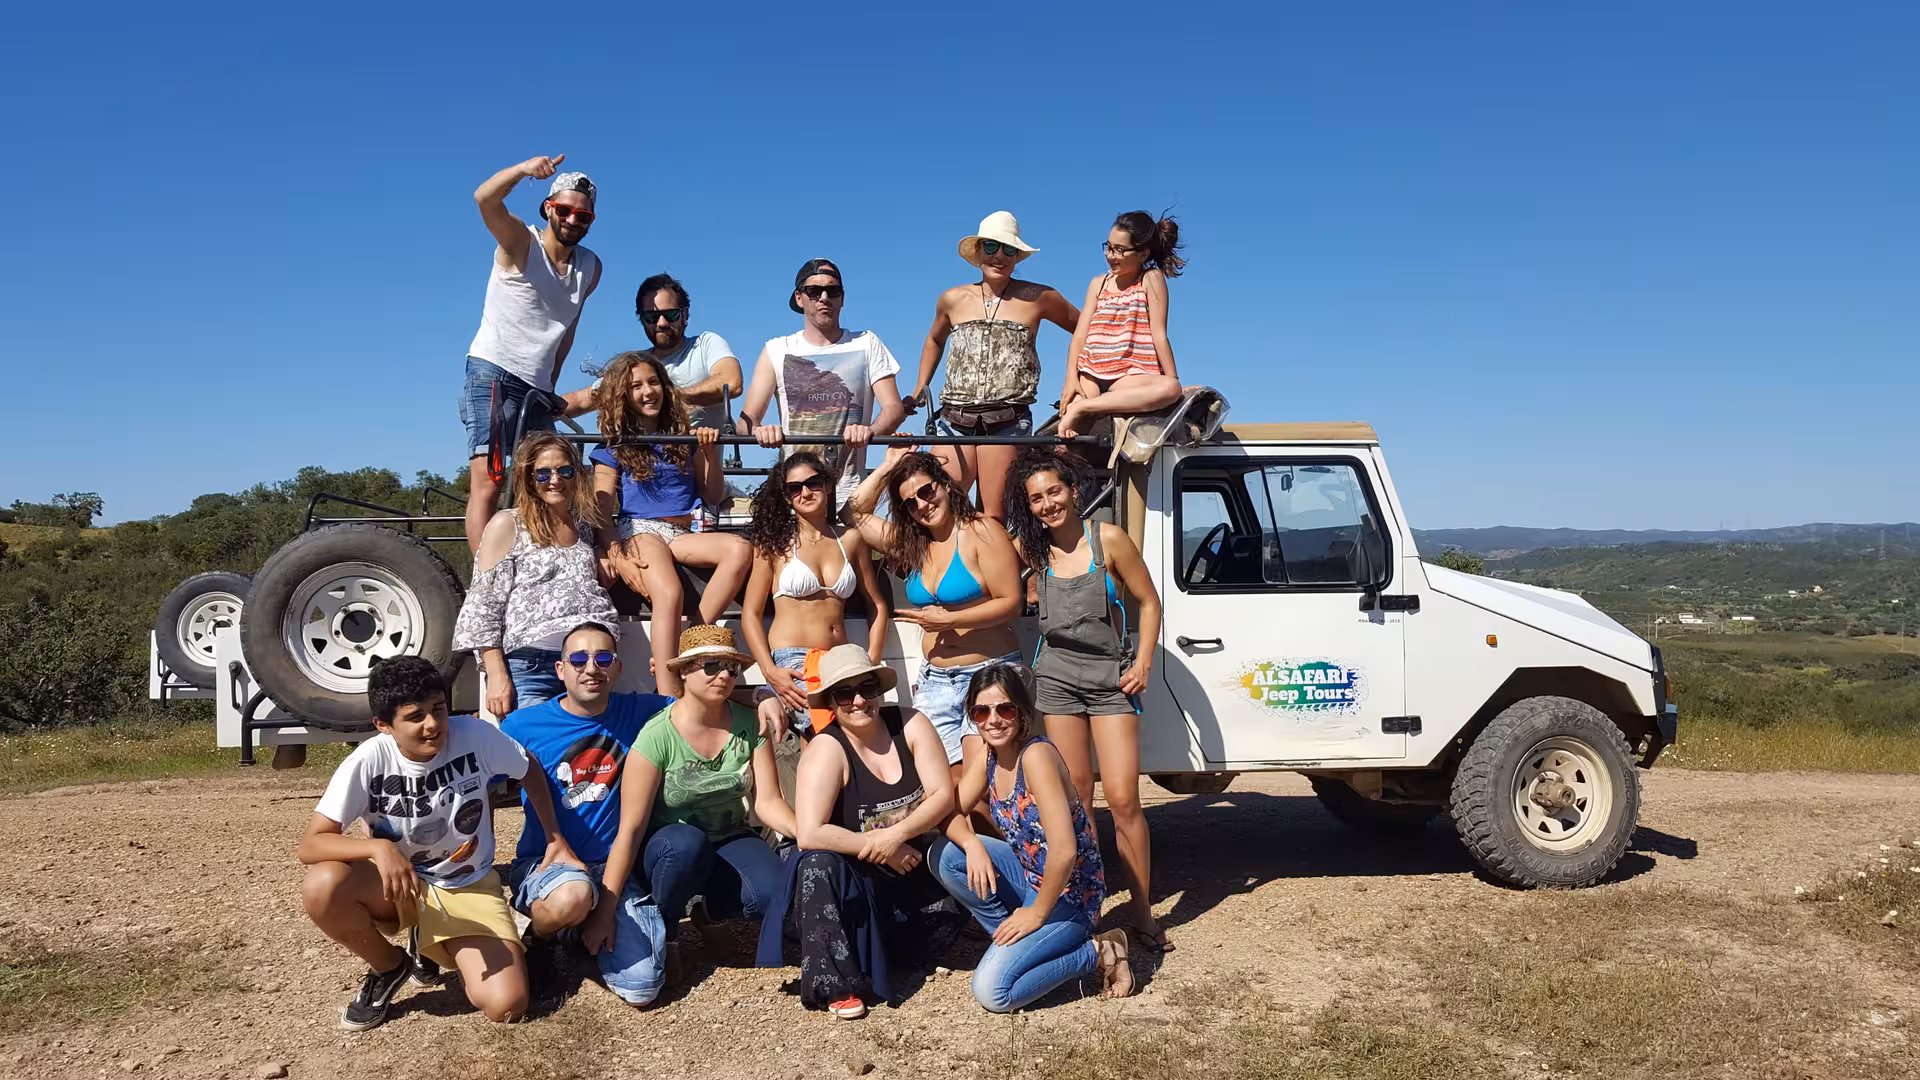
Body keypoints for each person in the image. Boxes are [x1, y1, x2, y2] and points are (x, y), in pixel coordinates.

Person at [298, 656, 579, 1030]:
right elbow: (311, 845)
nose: (432, 725)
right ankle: (389, 967)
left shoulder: (474, 735)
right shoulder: (367, 761)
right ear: (383, 725)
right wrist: (378, 849)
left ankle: (434, 941)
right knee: (322, 885)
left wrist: (554, 837)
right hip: (402, 885)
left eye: (439, 710)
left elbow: (528, 767)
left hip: (467, 883)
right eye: (415, 717)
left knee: (508, 1005)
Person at [1003, 449, 1169, 952]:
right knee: (1078, 800)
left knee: (1123, 800)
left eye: (1055, 491)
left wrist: (1142, 663)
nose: (1048, 503)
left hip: (1109, 682)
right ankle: (1089, 907)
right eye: (1036, 498)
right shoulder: (1033, 551)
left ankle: (1142, 912)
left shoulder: (1108, 539)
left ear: (1074, 491)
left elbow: (1149, 601)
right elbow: (979, 541)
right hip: (1055, 682)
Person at [755, 644, 956, 1020]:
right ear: (831, 700)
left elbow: (943, 794)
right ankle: (834, 983)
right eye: (845, 693)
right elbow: (811, 833)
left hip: (907, 868)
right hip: (851, 882)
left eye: (868, 688)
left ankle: (880, 949)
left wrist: (896, 835)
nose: (859, 700)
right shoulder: (827, 748)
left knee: (927, 942)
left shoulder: (911, 724)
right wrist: (878, 845)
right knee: (815, 864)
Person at [932, 663, 1133, 1010]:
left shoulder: (1036, 756)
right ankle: (1015, 941)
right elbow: (948, 812)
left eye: (1004, 708)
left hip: (1071, 896)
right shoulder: (989, 755)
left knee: (992, 993)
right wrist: (972, 845)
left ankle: (1099, 951)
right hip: (1029, 877)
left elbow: (1065, 851)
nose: (993, 720)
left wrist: (1037, 914)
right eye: (981, 711)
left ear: (1022, 711)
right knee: (946, 855)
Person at [600, 626, 798, 973]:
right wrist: (606, 906)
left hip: (728, 834)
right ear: (684, 671)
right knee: (685, 844)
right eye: (710, 665)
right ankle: (665, 931)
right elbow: (630, 828)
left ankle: (710, 912)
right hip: (668, 845)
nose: (723, 675)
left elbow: (767, 801)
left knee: (769, 895)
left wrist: (807, 834)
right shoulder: (656, 736)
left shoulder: (750, 724)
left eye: (731, 668)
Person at [500, 622, 673, 1006]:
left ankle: (581, 933)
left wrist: (762, 695)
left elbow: (701, 703)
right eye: (578, 658)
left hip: (615, 869)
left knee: (642, 988)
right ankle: (541, 939)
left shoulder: (642, 711)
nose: (590, 667)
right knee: (571, 899)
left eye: (603, 658)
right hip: (549, 864)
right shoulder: (521, 726)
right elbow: (473, 777)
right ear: (561, 670)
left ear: (617, 667)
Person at [848, 444, 1025, 778]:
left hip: (987, 673)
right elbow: (854, 513)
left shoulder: (981, 531)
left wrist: (950, 619)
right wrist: (889, 464)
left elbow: (1010, 602)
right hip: (935, 681)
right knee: (940, 781)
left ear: (944, 485)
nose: (922, 505)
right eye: (909, 503)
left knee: (986, 779)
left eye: (927, 491)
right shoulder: (913, 544)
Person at [462, 155, 604, 552]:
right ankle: (484, 588)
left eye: (584, 216)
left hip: (538, 388)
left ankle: (537, 568)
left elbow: (567, 328)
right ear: (548, 208)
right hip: (494, 372)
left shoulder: (590, 267)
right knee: (489, 482)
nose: (573, 220)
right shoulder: (522, 243)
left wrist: (552, 383)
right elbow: (484, 199)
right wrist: (523, 170)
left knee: (548, 480)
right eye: (565, 210)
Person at [589, 351, 752, 694]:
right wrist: (613, 548)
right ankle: (668, 693)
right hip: (641, 530)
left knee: (739, 549)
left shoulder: (685, 437)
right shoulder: (613, 447)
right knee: (669, 591)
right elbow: (601, 508)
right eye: (636, 386)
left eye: (653, 382)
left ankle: (691, 635)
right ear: (623, 396)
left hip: (682, 531)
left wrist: (708, 452)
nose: (648, 391)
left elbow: (711, 493)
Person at [904, 212, 1080, 522]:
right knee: (937, 511)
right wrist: (920, 389)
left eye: (1008, 250)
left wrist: (1075, 384)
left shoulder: (1040, 297)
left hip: (1006, 422)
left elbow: (1085, 329)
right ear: (978, 252)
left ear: (1017, 257)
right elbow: (934, 339)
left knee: (992, 517)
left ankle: (996, 570)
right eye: (991, 247)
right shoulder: (952, 299)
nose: (999, 256)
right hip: (952, 421)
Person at [454, 432, 620, 716]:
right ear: (529, 478)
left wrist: (601, 553)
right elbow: (482, 607)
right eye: (543, 473)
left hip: (592, 666)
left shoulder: (583, 526)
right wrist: (496, 674)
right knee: (533, 757)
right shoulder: (508, 524)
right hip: (533, 668)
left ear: (577, 475)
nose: (554, 480)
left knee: (585, 757)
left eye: (564, 470)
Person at [740, 452, 892, 738]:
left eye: (813, 483)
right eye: (794, 488)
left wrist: (872, 658)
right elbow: (751, 614)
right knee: (829, 731)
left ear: (828, 485)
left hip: (842, 659)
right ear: (786, 497)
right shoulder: (774, 544)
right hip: (794, 660)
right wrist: (769, 670)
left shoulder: (850, 539)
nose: (805, 492)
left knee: (849, 734)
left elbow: (877, 605)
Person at [738, 258, 908, 508]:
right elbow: (746, 421)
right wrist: (760, 431)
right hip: (797, 493)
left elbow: (894, 408)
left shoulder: (868, 342)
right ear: (799, 298)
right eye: (814, 291)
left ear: (842, 298)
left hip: (853, 493)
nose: (824, 297)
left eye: (833, 290)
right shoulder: (776, 350)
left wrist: (870, 430)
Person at [1056, 211, 1187, 440]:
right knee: (1066, 432)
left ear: (1143, 253)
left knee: (1171, 389)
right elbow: (1079, 337)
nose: (1110, 255)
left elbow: (1159, 334)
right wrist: (1070, 379)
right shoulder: (1098, 284)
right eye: (1108, 247)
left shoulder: (1150, 279)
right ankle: (1083, 406)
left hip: (1130, 375)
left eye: (1119, 250)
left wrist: (1174, 379)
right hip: (1091, 372)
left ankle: (1087, 406)